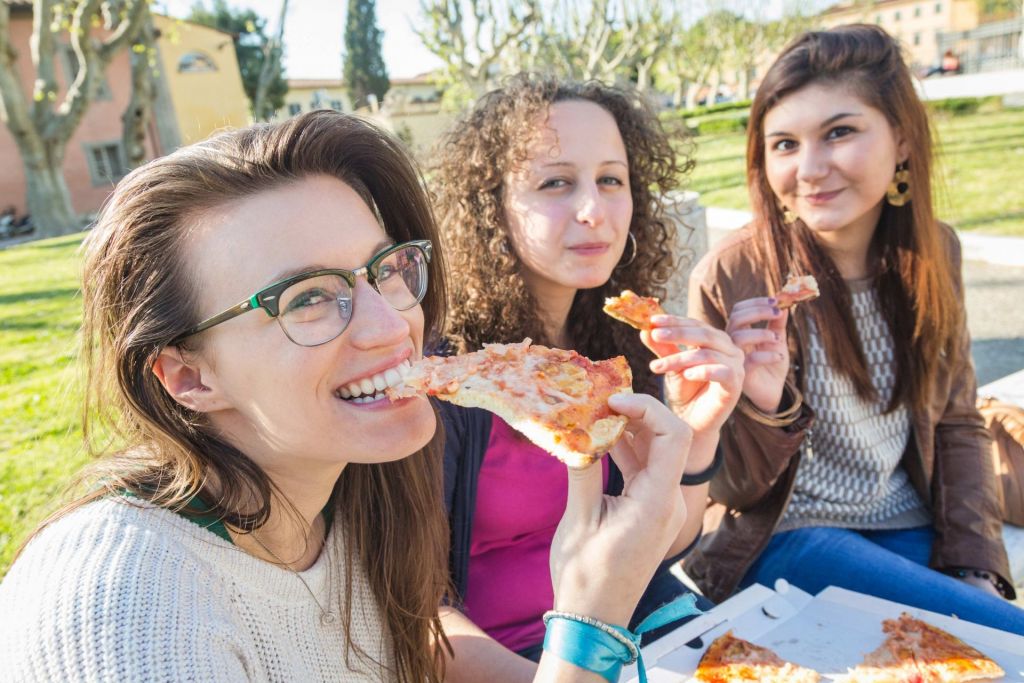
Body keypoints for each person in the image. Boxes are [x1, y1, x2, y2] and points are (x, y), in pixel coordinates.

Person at [0, 110, 703, 681]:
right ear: (188, 377)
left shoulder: (354, 511)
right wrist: (587, 625)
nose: (392, 322)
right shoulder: (123, 604)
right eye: (307, 298)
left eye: (385, 269)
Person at [684, 24, 1024, 634]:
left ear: (901, 139)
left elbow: (957, 421)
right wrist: (763, 405)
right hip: (786, 535)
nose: (810, 169)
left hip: (907, 522)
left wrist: (976, 564)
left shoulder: (935, 253)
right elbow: (728, 488)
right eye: (784, 144)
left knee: (977, 637)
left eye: (839, 132)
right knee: (1006, 638)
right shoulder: (735, 274)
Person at [429, 75, 745, 680]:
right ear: (488, 205)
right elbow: (412, 617)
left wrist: (698, 436)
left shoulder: (617, 349)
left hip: (647, 635)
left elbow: (663, 547)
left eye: (610, 179)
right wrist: (573, 674)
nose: (594, 210)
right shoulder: (455, 375)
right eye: (555, 182)